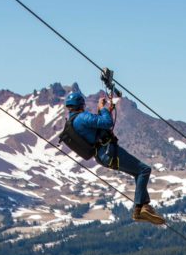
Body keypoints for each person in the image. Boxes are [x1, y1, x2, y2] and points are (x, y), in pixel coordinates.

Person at [65, 90, 164, 225]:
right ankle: (140, 209)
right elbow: (107, 123)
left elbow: (97, 127)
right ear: (81, 105)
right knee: (144, 170)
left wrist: (105, 111)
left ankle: (142, 209)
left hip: (102, 156)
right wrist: (102, 109)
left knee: (138, 172)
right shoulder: (82, 117)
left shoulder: (73, 122)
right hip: (108, 151)